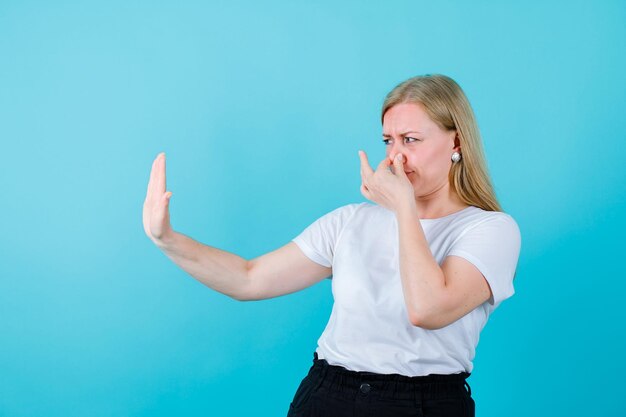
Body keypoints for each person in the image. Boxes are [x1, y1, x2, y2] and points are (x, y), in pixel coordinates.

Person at [143, 74, 521, 417]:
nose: (395, 157)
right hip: (328, 396)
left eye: (411, 140)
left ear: (456, 141)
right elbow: (249, 279)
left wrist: (404, 207)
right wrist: (168, 240)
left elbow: (427, 309)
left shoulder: (490, 230)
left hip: (423, 404)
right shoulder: (351, 221)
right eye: (388, 141)